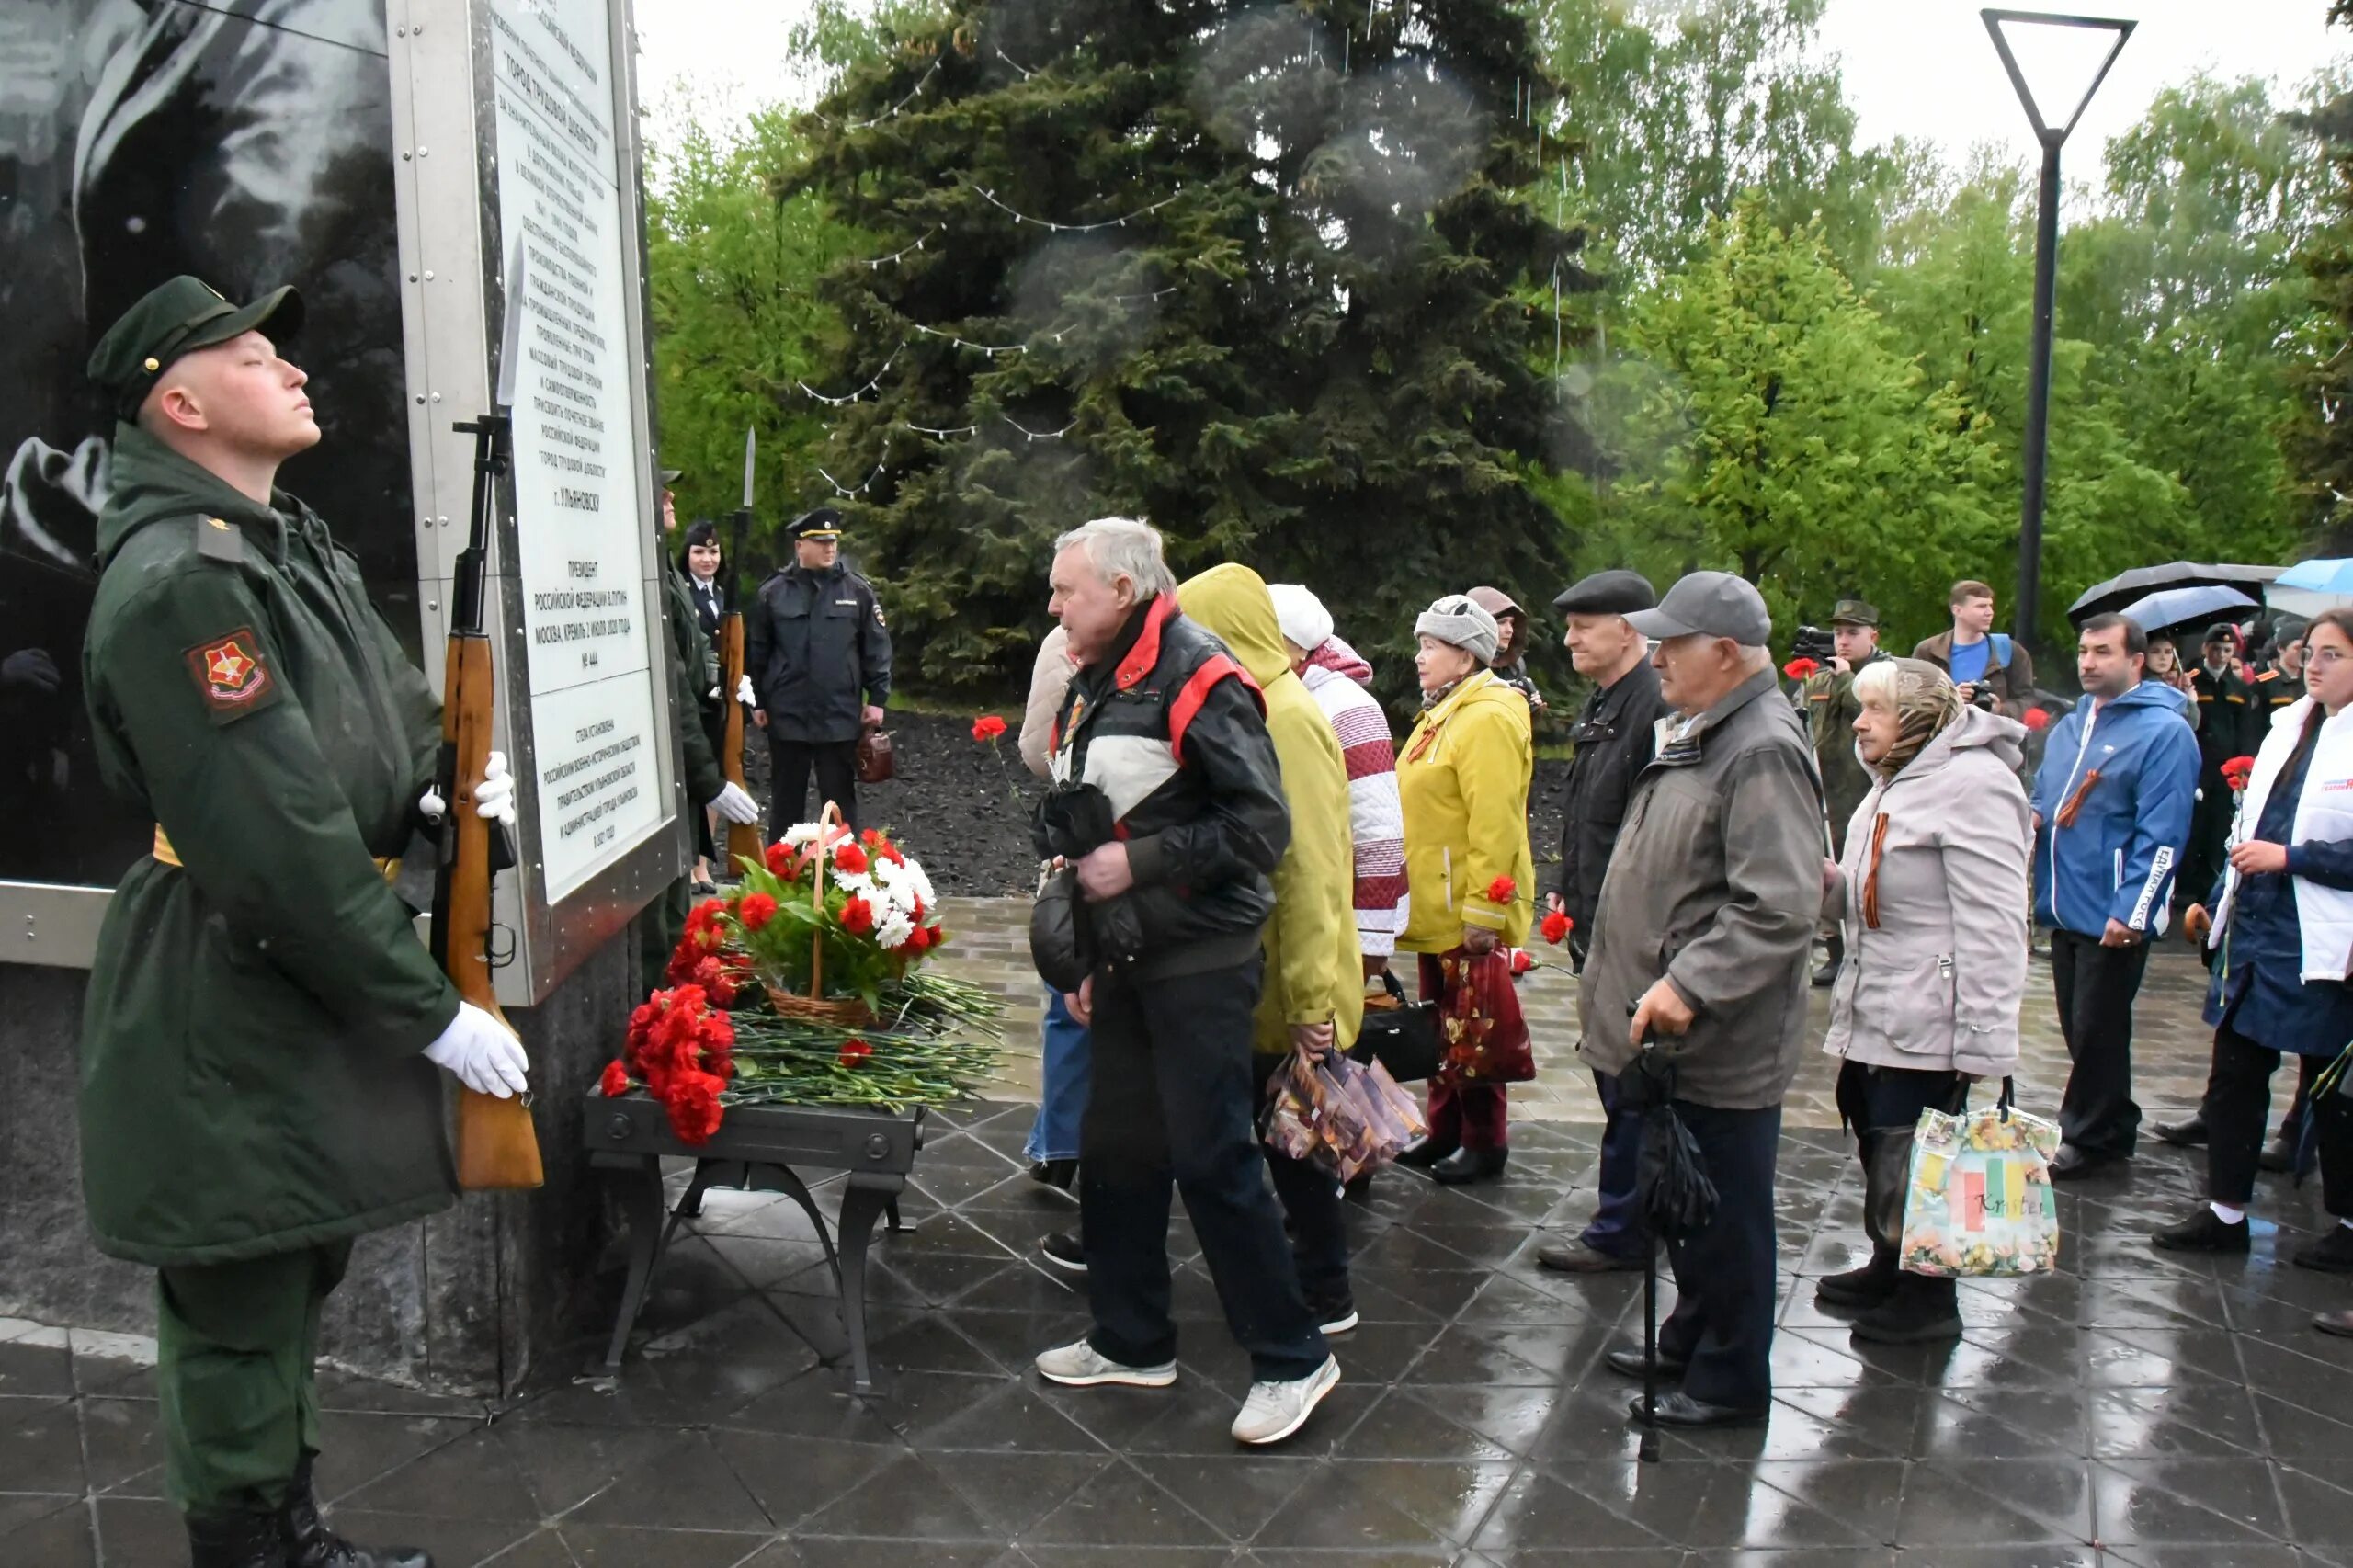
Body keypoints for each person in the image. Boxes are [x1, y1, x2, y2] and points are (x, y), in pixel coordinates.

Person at [77, 278, 532, 1568]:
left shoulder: (286, 548)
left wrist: (441, 792)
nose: (291, 370)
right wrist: (430, 1010)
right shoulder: (181, 586)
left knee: (290, 1265)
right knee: (239, 1291)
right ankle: (250, 1548)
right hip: (225, 981)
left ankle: (290, 1533)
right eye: (253, 354)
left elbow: (382, 727)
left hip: (292, 979)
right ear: (180, 405)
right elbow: (273, 844)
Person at [1031, 517, 1339, 1448]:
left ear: (1123, 590)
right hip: (1129, 957)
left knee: (1212, 1158)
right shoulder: (1102, 670)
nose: (1053, 605)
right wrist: (1091, 950)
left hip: (1201, 958)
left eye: (1067, 589)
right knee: (1117, 1150)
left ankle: (1293, 1357)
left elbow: (1260, 827)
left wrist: (1141, 863)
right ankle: (1130, 1339)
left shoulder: (1200, 674)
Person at [1578, 571, 1823, 1428]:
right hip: (1675, 1043)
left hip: (1720, 1042)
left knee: (1725, 1214)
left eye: (1671, 644)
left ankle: (1728, 1380)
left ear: (1724, 652)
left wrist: (1689, 982)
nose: (1656, 657)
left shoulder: (1759, 746)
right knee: (1687, 1204)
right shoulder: (1711, 728)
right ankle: (1691, 1336)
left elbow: (1779, 904)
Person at [1180, 564, 1367, 1335]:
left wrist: (1311, 1002)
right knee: (1285, 1141)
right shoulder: (1260, 704)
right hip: (1266, 982)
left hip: (1288, 991)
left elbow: (1311, 869)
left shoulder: (1285, 719)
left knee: (1300, 1148)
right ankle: (1308, 1277)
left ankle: (1326, 1291)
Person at [1819, 660, 2029, 1342]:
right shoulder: (1894, 780)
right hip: (1879, 1001)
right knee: (1881, 1138)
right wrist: (1820, 885)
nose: (1859, 723)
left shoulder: (1975, 785)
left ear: (1918, 718)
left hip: (1931, 1013)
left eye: (1875, 710)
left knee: (1925, 1152)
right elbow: (1871, 892)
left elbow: (1997, 923)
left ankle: (1931, 1298)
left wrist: (1985, 1041)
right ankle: (1892, 1259)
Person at [2155, 608, 2353, 1301]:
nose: (2314, 665)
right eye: (2312, 652)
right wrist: (2219, 898)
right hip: (2257, 929)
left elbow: (2295, 845)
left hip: (2323, 938)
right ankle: (2225, 1211)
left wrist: (2291, 858)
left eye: (2333, 655)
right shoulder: (2287, 725)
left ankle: (2347, 1222)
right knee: (2235, 1072)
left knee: (2331, 1091)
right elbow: (2248, 825)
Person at [2029, 613, 2200, 1178]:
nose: (2088, 662)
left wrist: (2133, 910)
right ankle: (2113, 1120)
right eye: (2083, 650)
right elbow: (2046, 797)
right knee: (2080, 1027)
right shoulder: (2070, 725)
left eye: (2103, 651)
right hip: (2064, 902)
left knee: (2097, 1029)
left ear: (2136, 660)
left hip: (2112, 908)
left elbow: (2163, 832)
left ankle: (2089, 1134)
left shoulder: (2163, 732)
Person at [1536, 569, 1668, 1275]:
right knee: (1615, 1080)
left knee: (1631, 1085)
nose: (1570, 640)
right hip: (1596, 921)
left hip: (1633, 935)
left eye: (1583, 627)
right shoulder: (1607, 700)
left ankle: (1627, 1228)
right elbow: (1586, 809)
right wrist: (1566, 889)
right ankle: (1627, 1216)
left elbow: (1652, 828)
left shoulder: (1653, 706)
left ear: (1628, 629)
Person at [1392, 593, 1536, 1184]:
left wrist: (1484, 912)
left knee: (1475, 1027)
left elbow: (1494, 824)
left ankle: (1484, 1141)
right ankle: (1444, 1129)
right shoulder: (1444, 712)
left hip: (1464, 910)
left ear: (1466, 656)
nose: (1419, 657)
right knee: (1443, 1025)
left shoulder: (1487, 718)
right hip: (1437, 904)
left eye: (1431, 646)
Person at [1267, 583, 1409, 973]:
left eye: (1268, 636)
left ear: (1299, 648)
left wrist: (1371, 938)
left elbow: (1378, 829)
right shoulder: (1283, 694)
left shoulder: (1348, 706)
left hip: (1336, 916)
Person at [746, 506, 891, 834]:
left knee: (840, 808)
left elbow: (877, 648)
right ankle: (781, 866)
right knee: (786, 806)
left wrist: (877, 698)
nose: (829, 548)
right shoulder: (773, 593)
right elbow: (757, 652)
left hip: (838, 715)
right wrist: (758, 702)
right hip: (788, 715)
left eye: (833, 542)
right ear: (800, 546)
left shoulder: (857, 591)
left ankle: (845, 865)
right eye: (821, 542)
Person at [1020, 625, 1089, 1213]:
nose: (1056, 608)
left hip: (1082, 853)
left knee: (1069, 1004)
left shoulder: (1064, 641)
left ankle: (1060, 1146)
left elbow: (1034, 753)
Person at [1796, 598, 1892, 986]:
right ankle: (1835, 952)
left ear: (1873, 636)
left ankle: (1863, 951)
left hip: (1862, 790)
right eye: (1837, 633)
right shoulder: (1820, 678)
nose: (1843, 641)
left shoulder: (1885, 675)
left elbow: (1877, 719)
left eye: (1852, 633)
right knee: (1826, 870)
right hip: (1825, 792)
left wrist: (1849, 681)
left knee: (1862, 872)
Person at [2182, 622, 2259, 971]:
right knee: (2195, 827)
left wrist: (2245, 767)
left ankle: (2207, 889)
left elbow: (2246, 730)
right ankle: (2189, 886)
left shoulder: (2238, 687)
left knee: (2219, 830)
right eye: (2216, 648)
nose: (2221, 655)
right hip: (2201, 765)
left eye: (2227, 650)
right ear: (2206, 649)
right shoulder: (2193, 682)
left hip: (2227, 769)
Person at [679, 517, 730, 889]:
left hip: (719, 702)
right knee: (693, 781)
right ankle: (687, 865)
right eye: (699, 551)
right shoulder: (683, 593)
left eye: (713, 551)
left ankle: (703, 865)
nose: (707, 559)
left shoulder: (723, 595)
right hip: (693, 698)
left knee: (716, 778)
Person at [1913, 579, 2035, 716]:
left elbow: (2027, 699)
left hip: (1993, 729)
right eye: (1981, 606)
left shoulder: (2009, 650)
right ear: (1957, 610)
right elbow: (1912, 701)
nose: (1989, 612)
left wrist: (2001, 710)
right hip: (1946, 729)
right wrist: (1950, 699)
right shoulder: (1929, 651)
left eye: (1990, 606)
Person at [1469, 585, 1546, 711]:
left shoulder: (1515, 665)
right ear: (1480, 624)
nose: (1510, 630)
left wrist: (1527, 711)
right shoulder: (1458, 662)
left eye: (1511, 623)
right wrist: (1498, 697)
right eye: (1501, 622)